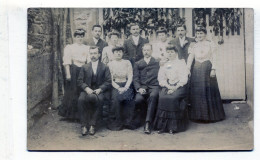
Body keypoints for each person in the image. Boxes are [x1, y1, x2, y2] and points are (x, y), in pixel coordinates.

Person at [187, 26, 225, 122]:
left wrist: (214, 69)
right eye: (198, 33)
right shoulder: (194, 45)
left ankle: (211, 116)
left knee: (208, 90)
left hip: (207, 68)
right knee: (197, 92)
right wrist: (187, 69)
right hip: (196, 68)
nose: (199, 35)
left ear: (205, 34)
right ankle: (198, 116)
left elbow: (215, 57)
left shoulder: (210, 44)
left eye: (201, 33)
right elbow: (190, 58)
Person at [153, 45, 190, 134]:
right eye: (168, 52)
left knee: (172, 98)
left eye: (172, 52)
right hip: (168, 85)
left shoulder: (181, 63)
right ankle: (162, 126)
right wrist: (168, 86)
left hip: (179, 86)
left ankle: (173, 127)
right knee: (162, 97)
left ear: (176, 53)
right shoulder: (165, 64)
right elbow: (161, 78)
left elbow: (184, 78)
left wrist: (174, 88)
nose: (170, 54)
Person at [77, 46, 111, 136]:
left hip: (99, 90)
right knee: (81, 100)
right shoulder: (84, 67)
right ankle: (83, 125)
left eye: (95, 53)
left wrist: (100, 89)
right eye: (91, 53)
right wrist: (86, 88)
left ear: (99, 55)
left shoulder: (104, 67)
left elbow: (108, 81)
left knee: (99, 100)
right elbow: (80, 81)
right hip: (86, 90)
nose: (93, 55)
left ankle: (93, 125)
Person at [58, 29, 90, 120]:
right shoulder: (70, 47)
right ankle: (71, 115)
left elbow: (88, 61)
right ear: (75, 37)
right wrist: (68, 74)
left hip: (83, 69)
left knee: (82, 90)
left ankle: (81, 114)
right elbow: (67, 61)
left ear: (83, 37)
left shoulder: (86, 48)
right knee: (73, 91)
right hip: (74, 69)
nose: (80, 38)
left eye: (81, 36)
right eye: (78, 36)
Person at [107, 45, 136, 131]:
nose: (118, 53)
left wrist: (126, 87)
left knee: (129, 99)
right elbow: (110, 79)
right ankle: (117, 123)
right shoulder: (110, 64)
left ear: (123, 53)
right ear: (113, 54)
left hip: (126, 84)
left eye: (120, 52)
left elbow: (130, 76)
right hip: (115, 85)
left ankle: (128, 122)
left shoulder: (127, 62)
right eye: (116, 52)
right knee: (116, 99)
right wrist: (118, 88)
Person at [133, 43, 160, 134]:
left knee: (153, 96)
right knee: (138, 99)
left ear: (151, 51)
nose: (146, 52)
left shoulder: (157, 62)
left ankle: (148, 123)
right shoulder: (137, 63)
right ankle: (140, 119)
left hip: (154, 86)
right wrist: (139, 88)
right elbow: (135, 78)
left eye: (148, 50)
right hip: (142, 87)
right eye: (144, 50)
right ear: (142, 51)